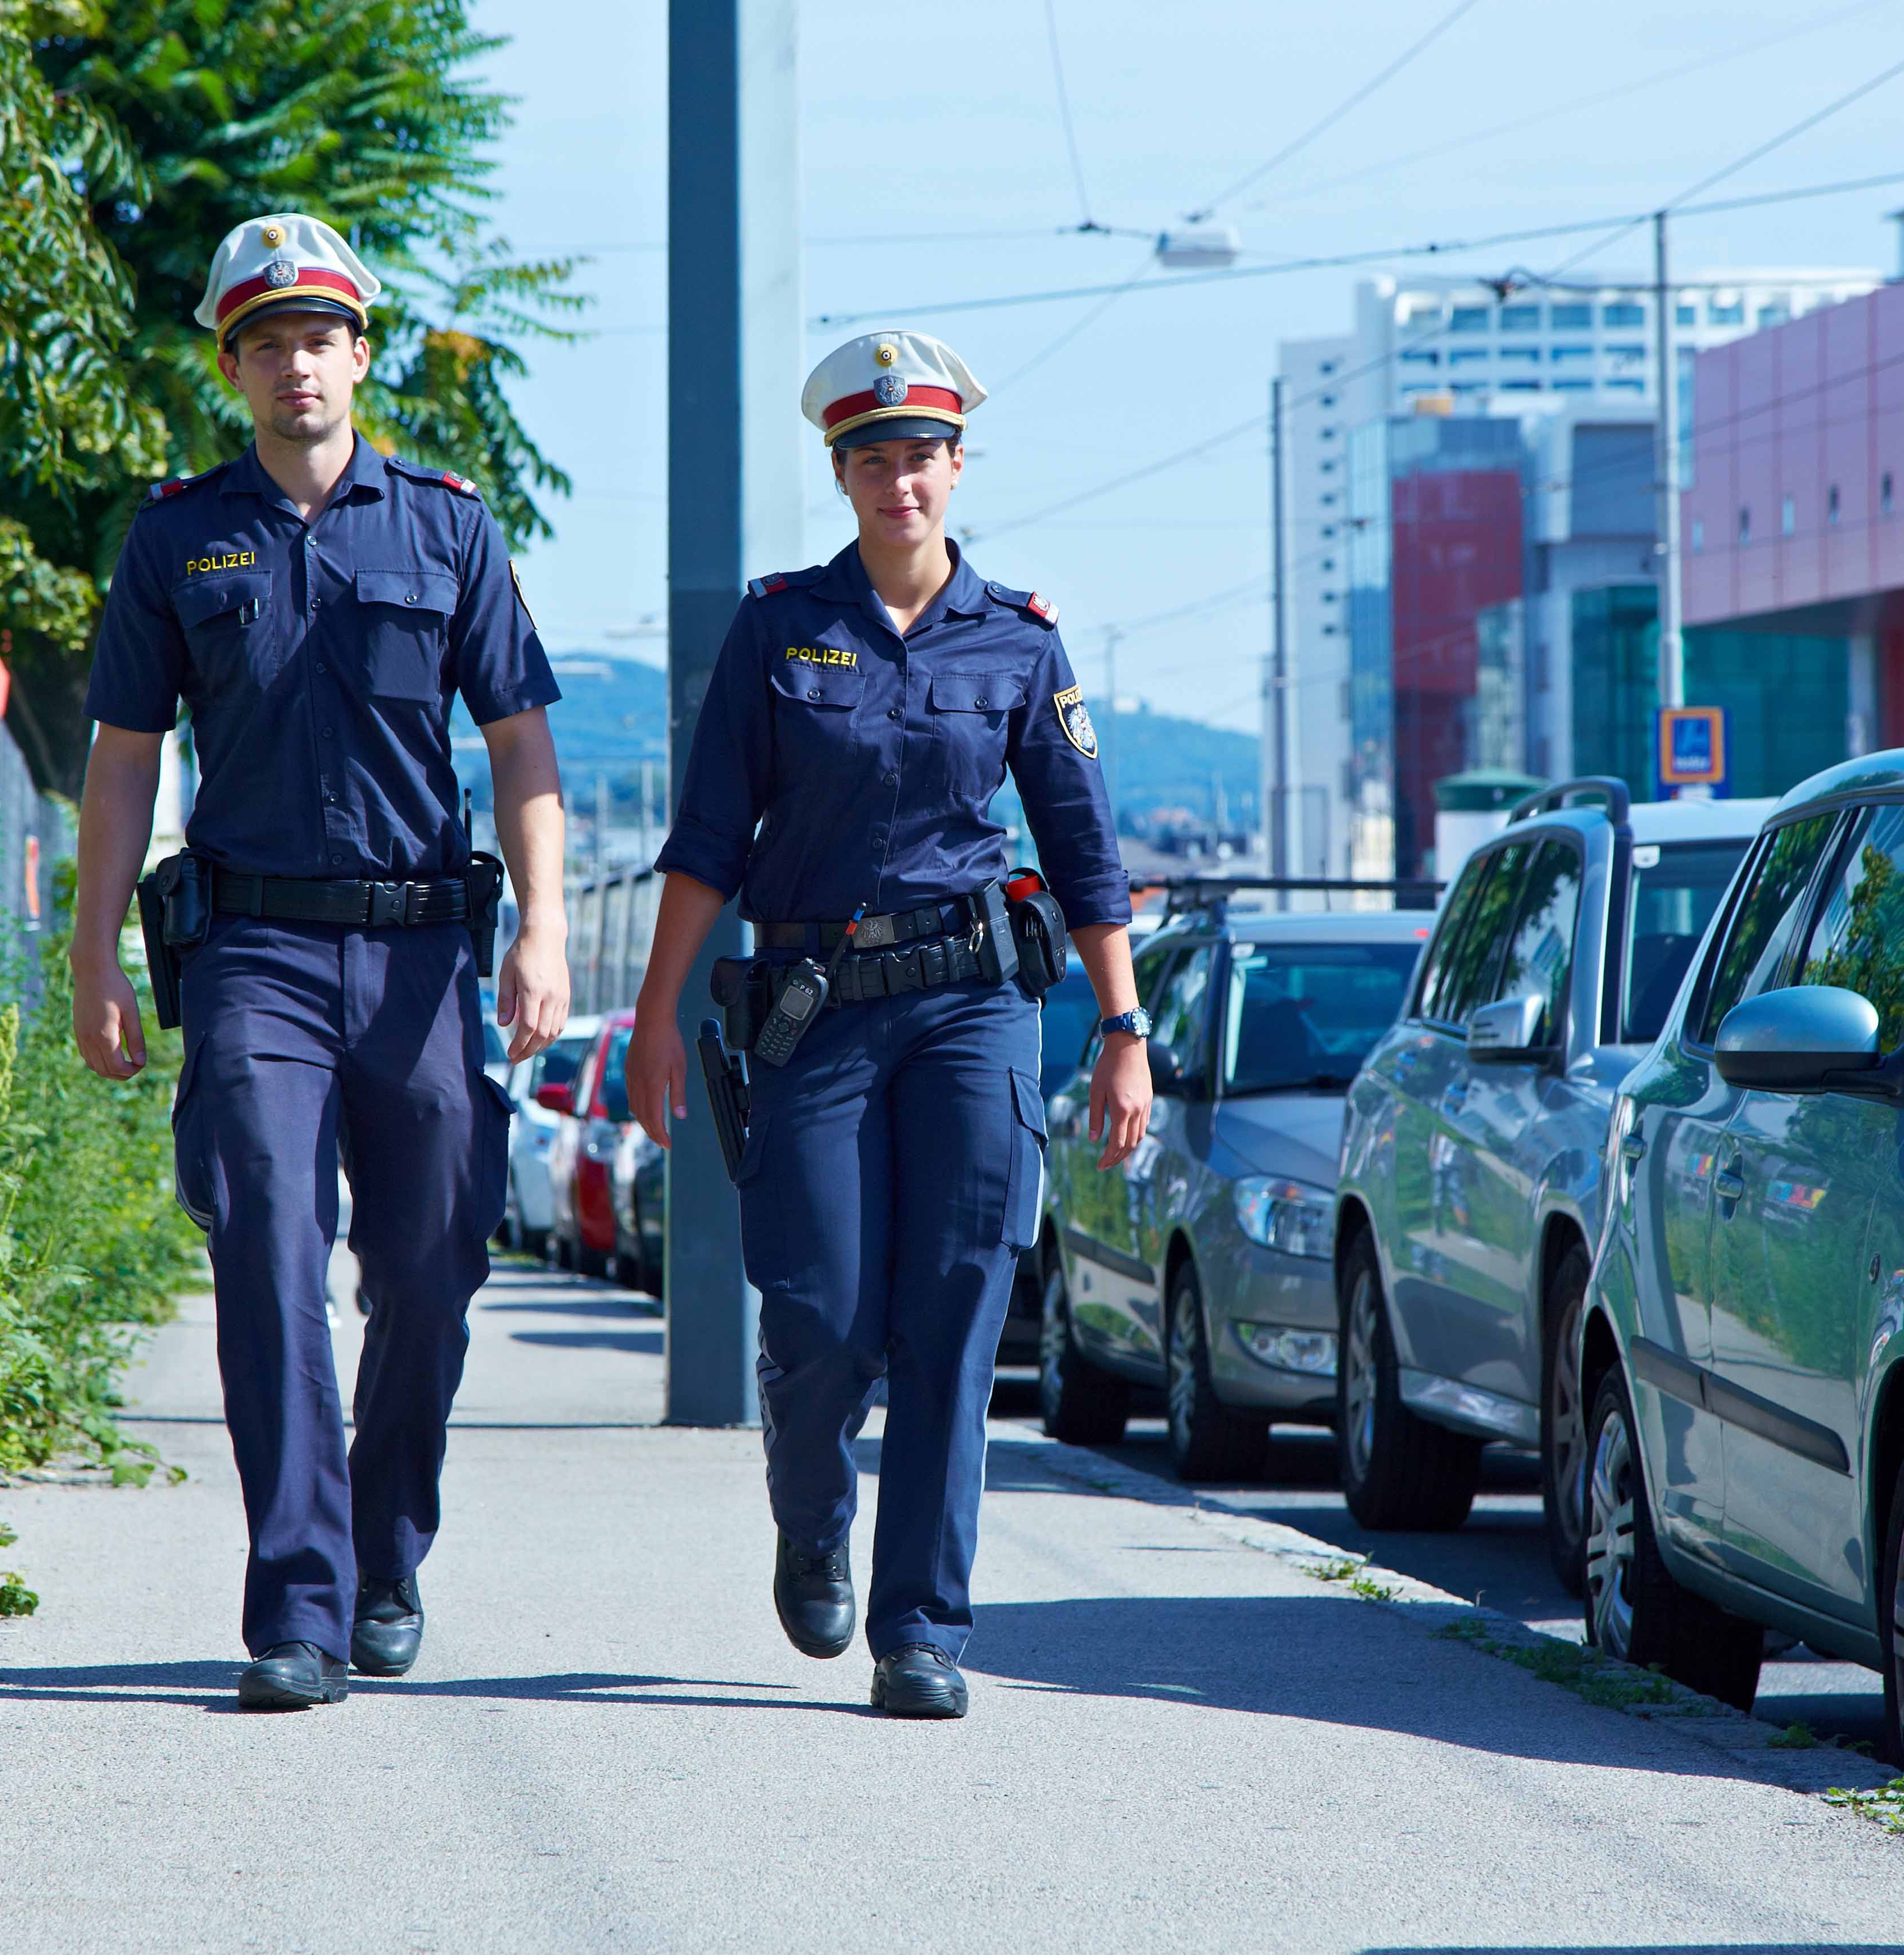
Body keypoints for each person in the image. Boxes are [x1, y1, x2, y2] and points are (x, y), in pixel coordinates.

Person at [69, 212, 570, 1710]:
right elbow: (119, 764)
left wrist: (542, 925)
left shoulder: (447, 527)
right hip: (255, 958)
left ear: (361, 354)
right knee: (268, 1247)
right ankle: (294, 1602)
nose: (298, 362)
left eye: (322, 336)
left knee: (433, 1257)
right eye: (268, 340)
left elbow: (522, 739)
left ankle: (381, 1548)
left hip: (419, 955)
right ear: (232, 365)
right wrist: (95, 952)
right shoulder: (177, 537)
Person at [624, 328, 1154, 1719]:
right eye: (874, 460)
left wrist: (1122, 1026)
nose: (900, 482)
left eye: (921, 457)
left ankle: (922, 1626)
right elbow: (705, 841)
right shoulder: (779, 625)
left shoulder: (1022, 639)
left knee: (957, 1309)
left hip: (975, 1008)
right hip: (815, 1016)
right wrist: (657, 1020)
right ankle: (814, 1516)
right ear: (842, 474)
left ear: (956, 467)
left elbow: (1086, 850)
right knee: (818, 1316)